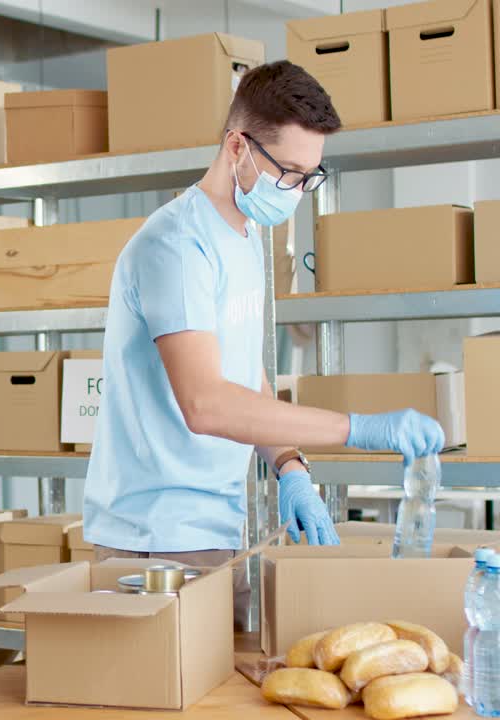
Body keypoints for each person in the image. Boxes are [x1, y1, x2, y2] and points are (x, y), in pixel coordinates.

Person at [83, 62, 445, 605]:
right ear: (238, 146)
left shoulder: (245, 234)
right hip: (153, 541)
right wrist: (358, 429)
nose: (298, 190)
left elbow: (244, 373)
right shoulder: (179, 247)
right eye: (290, 172)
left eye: (310, 176)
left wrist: (289, 464)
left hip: (216, 530)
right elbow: (206, 403)